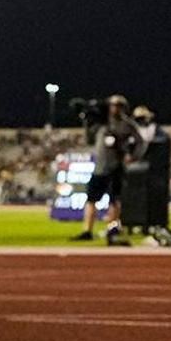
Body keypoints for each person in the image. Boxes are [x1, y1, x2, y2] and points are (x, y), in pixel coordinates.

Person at [73, 95, 141, 245]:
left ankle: (112, 230)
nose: (115, 109)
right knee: (91, 199)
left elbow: (140, 143)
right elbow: (89, 139)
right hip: (100, 167)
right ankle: (87, 230)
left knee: (114, 201)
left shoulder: (127, 125)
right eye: (113, 105)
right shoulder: (101, 124)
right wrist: (87, 121)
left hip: (116, 166)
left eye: (118, 106)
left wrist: (133, 156)